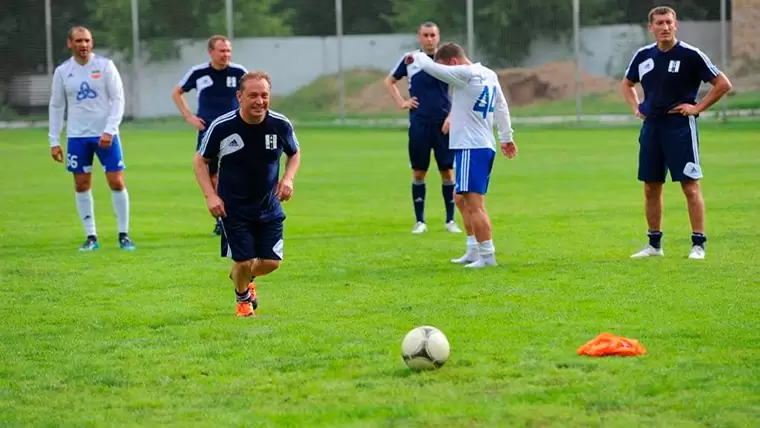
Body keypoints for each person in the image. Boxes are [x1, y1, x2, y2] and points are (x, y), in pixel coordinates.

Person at [621, 6, 732, 260]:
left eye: (669, 22)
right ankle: (654, 245)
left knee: (690, 186)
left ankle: (698, 245)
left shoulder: (690, 55)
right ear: (651, 27)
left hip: (679, 128)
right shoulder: (643, 56)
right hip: (652, 128)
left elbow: (723, 84)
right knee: (651, 187)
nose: (664, 27)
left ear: (676, 24)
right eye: (659, 23)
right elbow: (627, 83)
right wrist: (636, 107)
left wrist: (697, 108)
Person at [193, 71, 301, 317]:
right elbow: (200, 160)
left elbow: (294, 152)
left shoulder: (280, 124)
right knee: (242, 260)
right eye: (253, 95)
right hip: (233, 208)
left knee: (271, 262)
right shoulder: (223, 126)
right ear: (239, 96)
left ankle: (243, 277)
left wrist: (288, 179)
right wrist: (210, 195)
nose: (259, 101)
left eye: (264, 95)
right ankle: (243, 300)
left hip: (269, 205)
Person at [405, 43, 517, 268]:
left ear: (454, 63)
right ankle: (473, 250)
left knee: (475, 205)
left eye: (446, 67)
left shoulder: (465, 74)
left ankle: (487, 257)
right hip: (483, 144)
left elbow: (434, 69)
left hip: (470, 147)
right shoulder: (487, 73)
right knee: (459, 198)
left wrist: (415, 56)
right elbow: (502, 106)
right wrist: (506, 137)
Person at [48, 26, 135, 251]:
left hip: (106, 135)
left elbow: (118, 99)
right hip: (77, 137)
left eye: (87, 40)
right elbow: (57, 106)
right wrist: (54, 140)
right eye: (78, 41)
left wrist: (110, 129)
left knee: (116, 181)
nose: (83, 45)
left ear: (92, 42)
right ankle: (91, 237)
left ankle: (124, 235)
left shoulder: (105, 66)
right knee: (81, 184)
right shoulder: (63, 71)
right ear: (70, 44)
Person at [384, 22, 462, 235]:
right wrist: (402, 102)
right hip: (419, 123)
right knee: (419, 172)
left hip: (444, 124)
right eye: (425, 35)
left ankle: (450, 220)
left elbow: (462, 89)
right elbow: (389, 81)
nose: (429, 39)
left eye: (433, 35)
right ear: (419, 37)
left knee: (447, 170)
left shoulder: (447, 60)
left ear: (438, 37)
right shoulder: (411, 59)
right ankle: (420, 221)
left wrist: (452, 116)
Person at [173, 35, 248, 236]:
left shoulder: (239, 72)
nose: (226, 54)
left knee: (239, 174)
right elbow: (177, 92)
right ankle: (222, 220)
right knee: (213, 175)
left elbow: (253, 91)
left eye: (228, 51)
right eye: (222, 50)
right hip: (209, 132)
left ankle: (243, 215)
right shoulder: (199, 73)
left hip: (236, 130)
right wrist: (189, 116)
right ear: (211, 52)